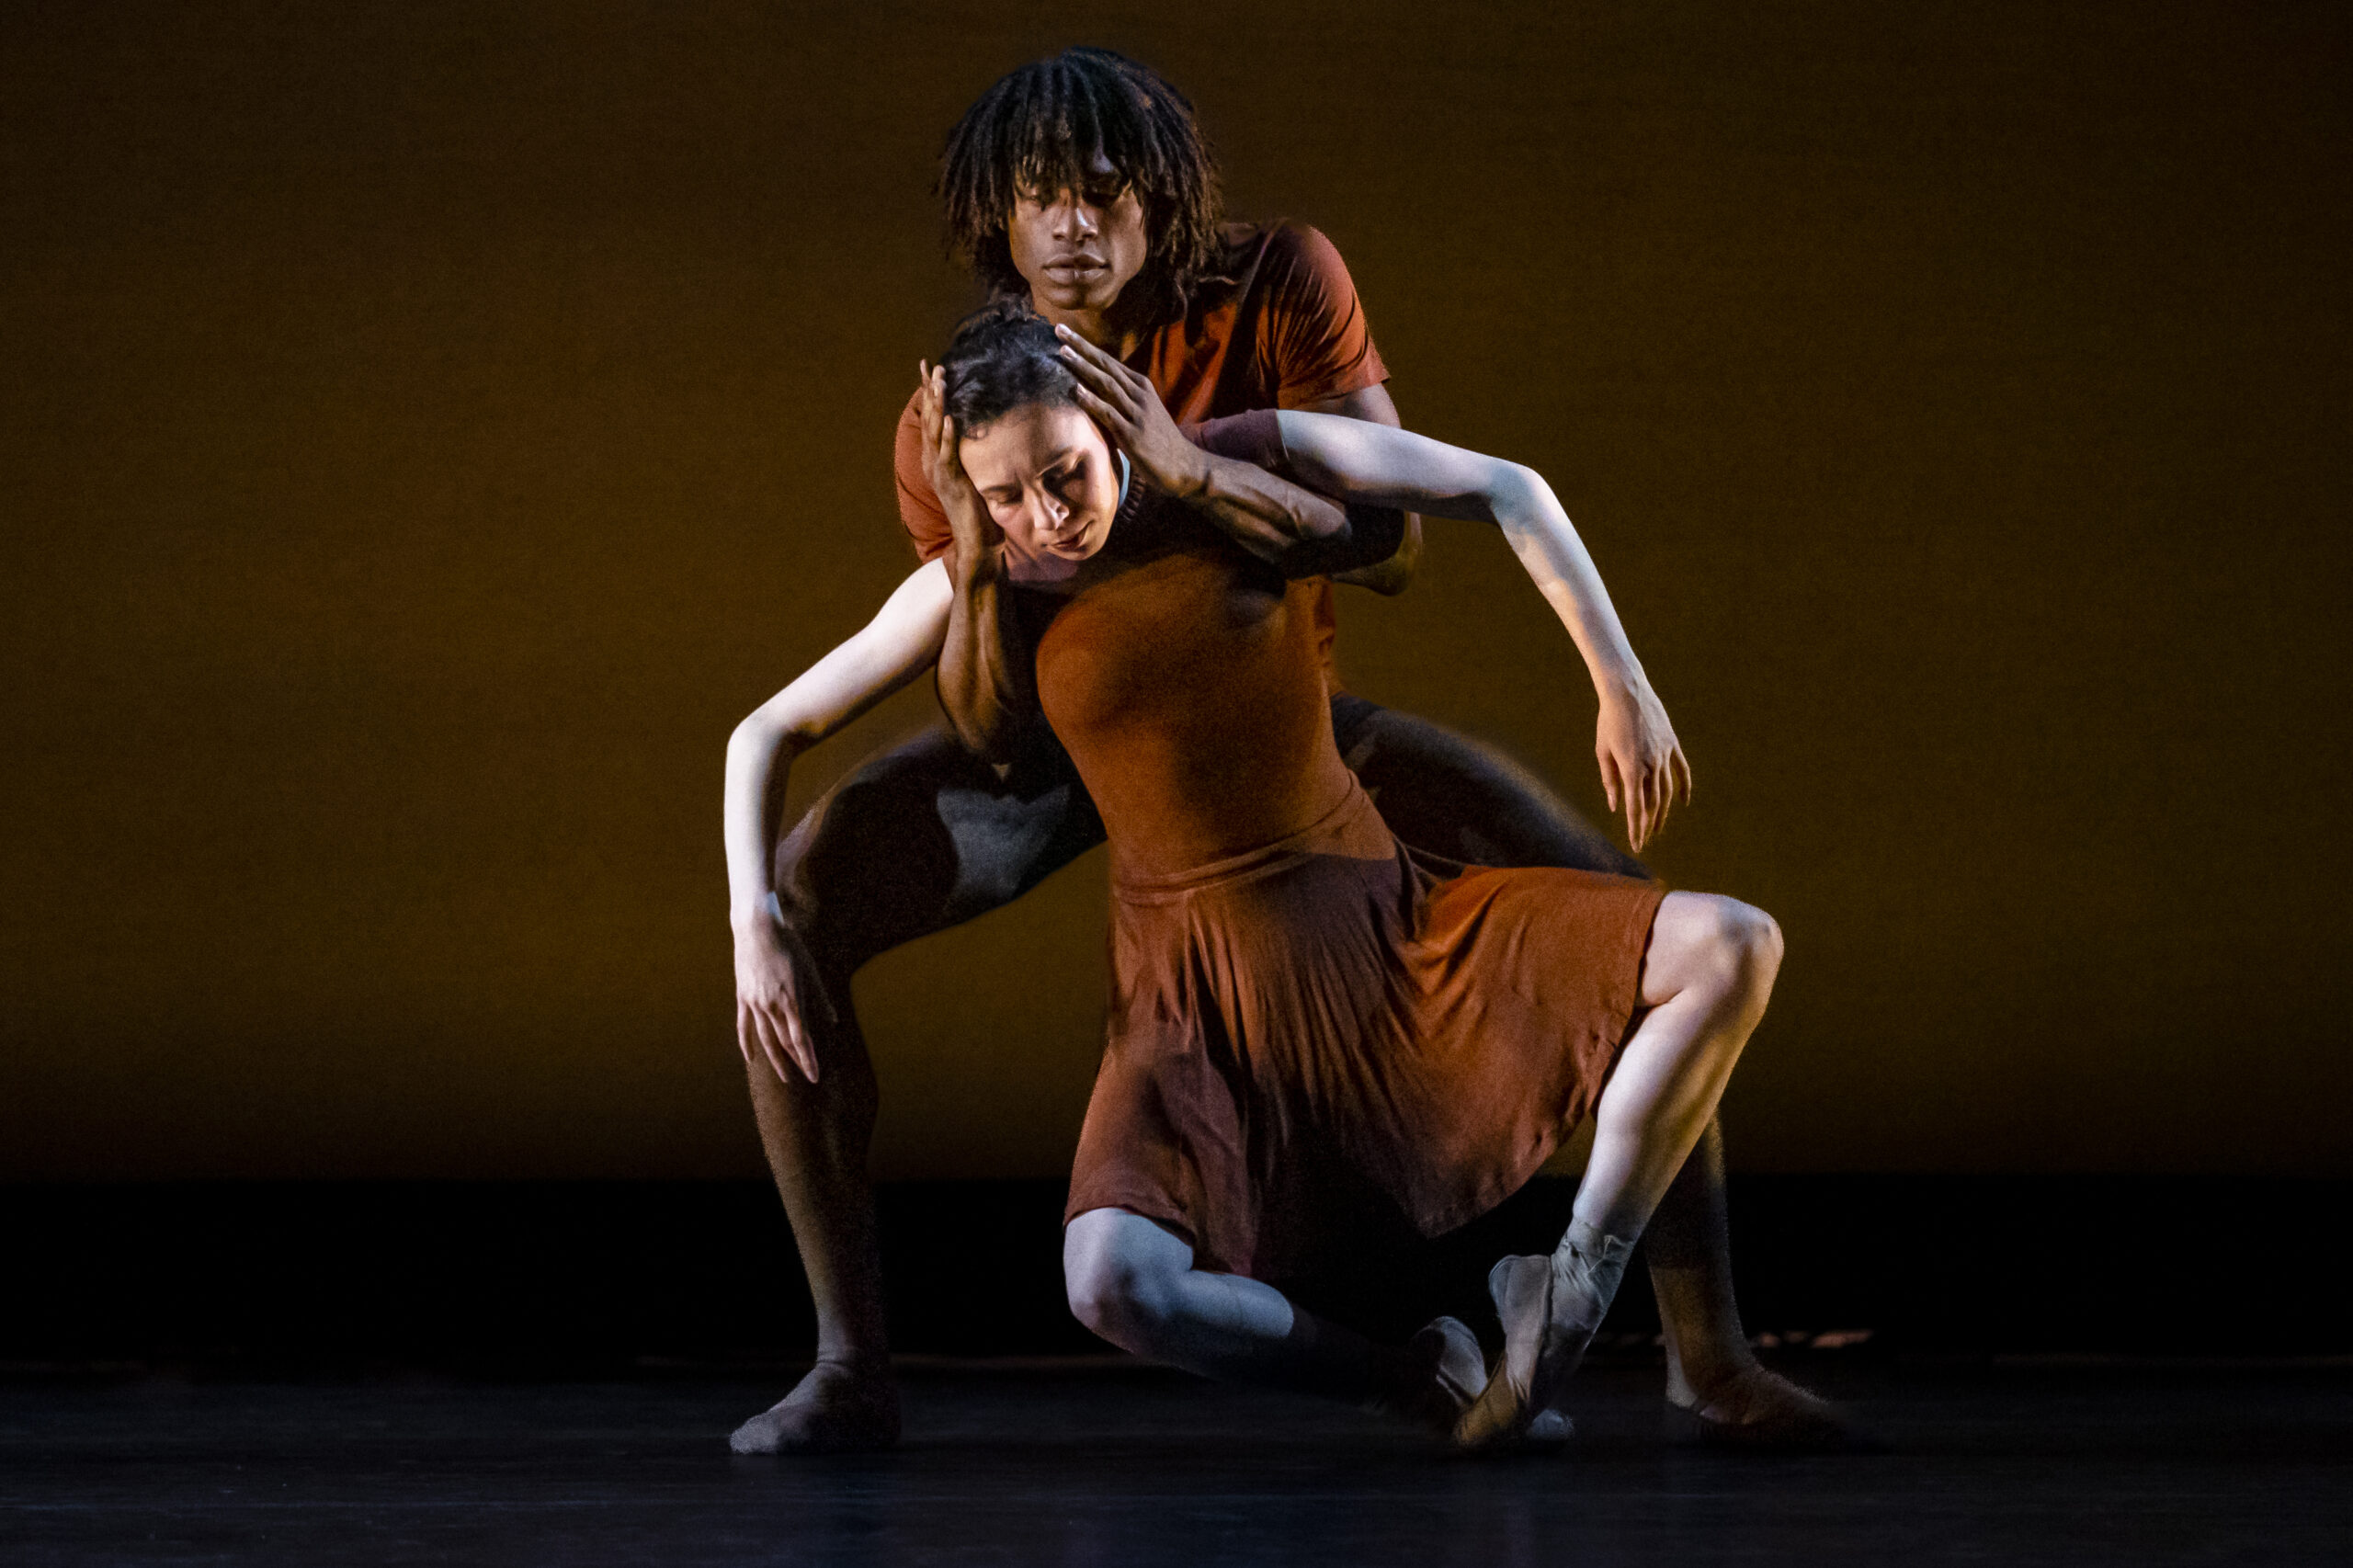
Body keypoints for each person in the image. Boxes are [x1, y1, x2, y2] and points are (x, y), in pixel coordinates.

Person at [724, 46, 1841, 1453]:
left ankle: (1706, 1352)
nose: (1071, 227)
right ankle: (847, 1365)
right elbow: (992, 712)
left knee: (1607, 900)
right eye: (1036, 200)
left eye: (1103, 192)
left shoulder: (1276, 281)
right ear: (993, 221)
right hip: (1074, 730)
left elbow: (1395, 547)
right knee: (801, 892)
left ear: (1162, 195)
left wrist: (1192, 470)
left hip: (1275, 717)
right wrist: (976, 534)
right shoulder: (965, 404)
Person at [937, 302, 1772, 1449]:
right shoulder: (1006, 566)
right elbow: (909, 731)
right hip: (1192, 990)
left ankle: (1569, 1283)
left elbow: (1491, 492)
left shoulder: (1238, 453)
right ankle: (1411, 1377)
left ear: (1109, 419)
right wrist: (979, 564)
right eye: (1005, 493)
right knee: (1108, 1282)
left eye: (1064, 473)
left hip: (1365, 916)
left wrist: (1618, 679)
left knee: (1731, 943)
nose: (1046, 514)